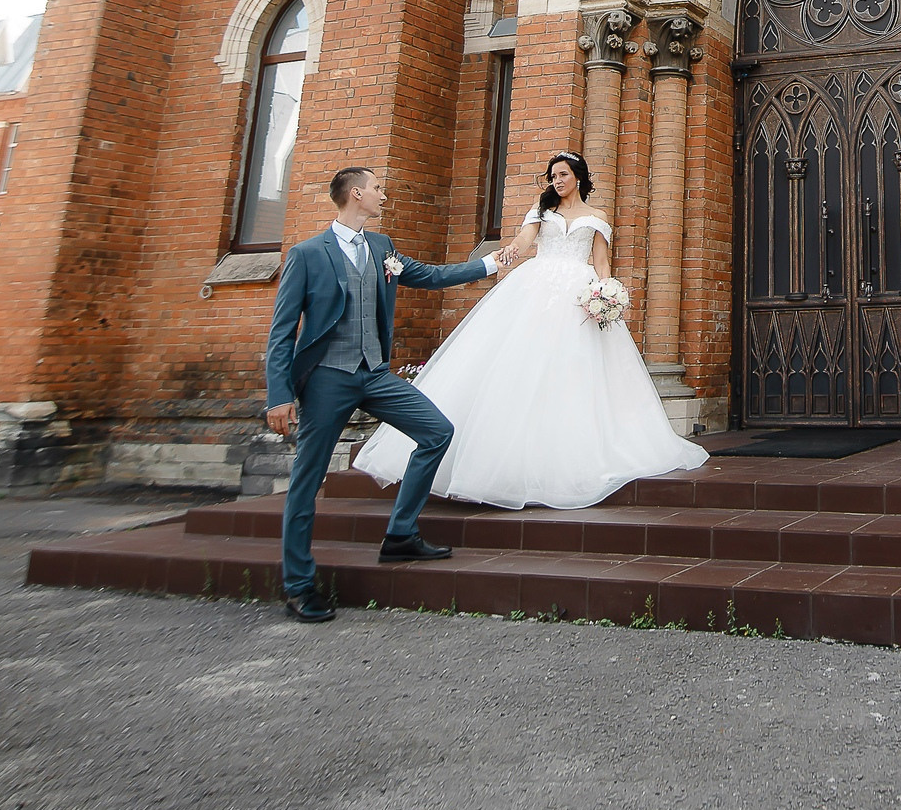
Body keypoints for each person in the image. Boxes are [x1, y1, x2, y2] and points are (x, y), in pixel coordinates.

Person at [355, 151, 706, 510]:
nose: (556, 181)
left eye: (563, 174)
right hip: (536, 285)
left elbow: (601, 261)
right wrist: (508, 251)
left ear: (579, 178)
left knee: (575, 368)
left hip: (580, 295)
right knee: (521, 361)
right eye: (552, 175)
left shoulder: (598, 217)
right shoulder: (541, 212)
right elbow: (524, 242)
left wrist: (608, 294)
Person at [263, 166, 503, 623]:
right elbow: (281, 333)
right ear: (356, 194)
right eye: (377, 188)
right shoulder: (308, 254)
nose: (383, 196)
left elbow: (429, 276)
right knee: (307, 480)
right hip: (327, 379)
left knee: (436, 431)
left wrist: (494, 262)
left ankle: (400, 535)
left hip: (374, 373)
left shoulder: (382, 248)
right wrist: (279, 395)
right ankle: (297, 584)